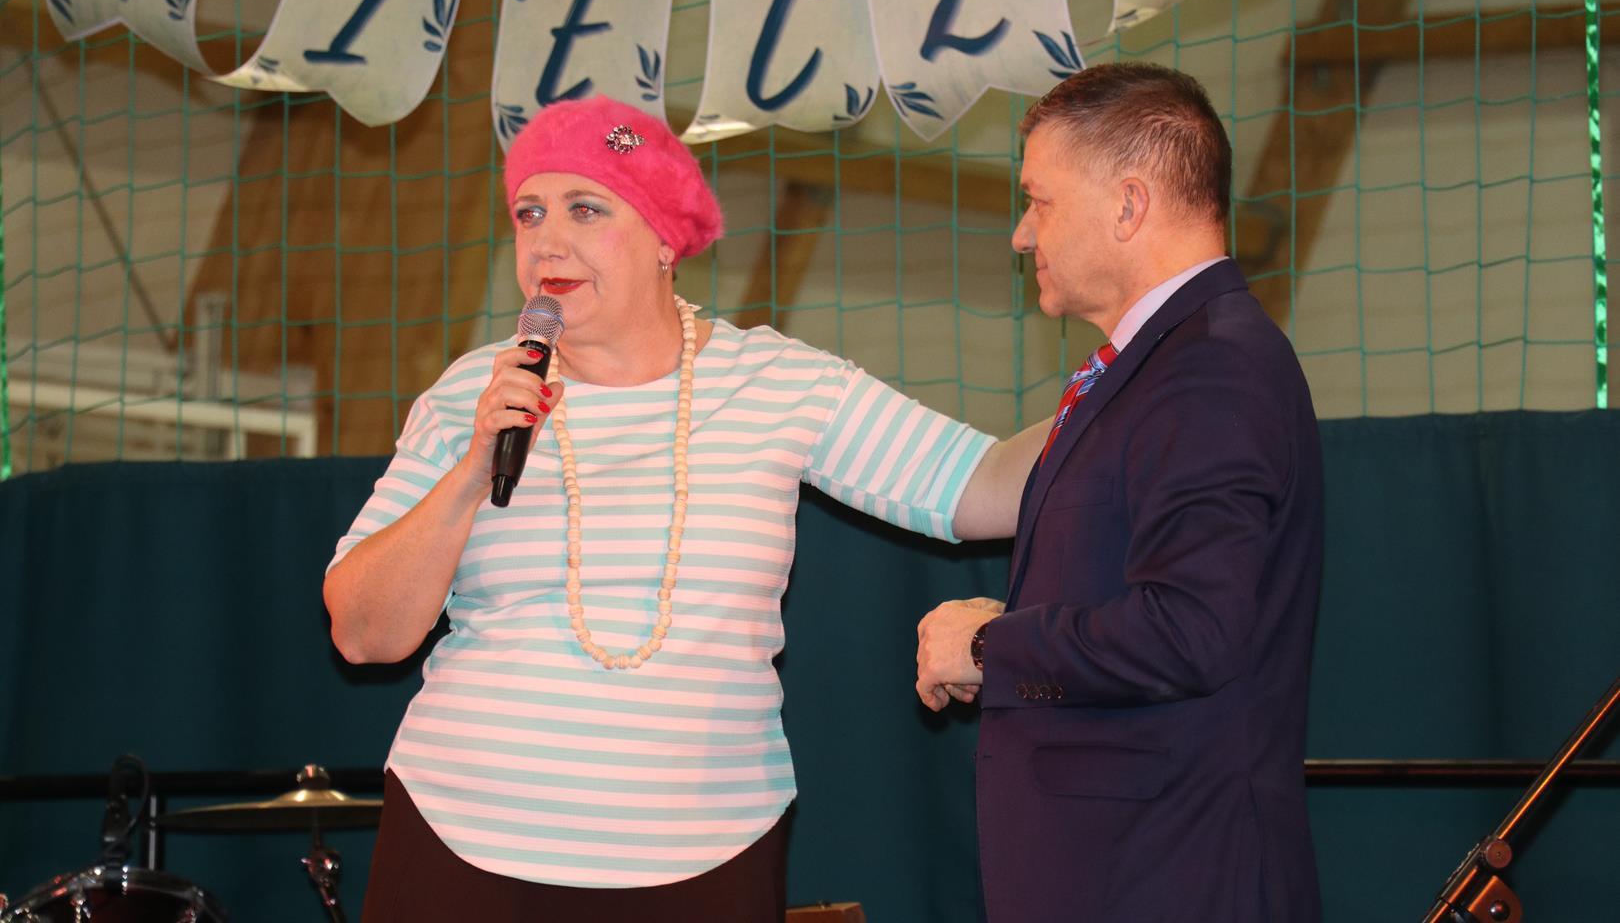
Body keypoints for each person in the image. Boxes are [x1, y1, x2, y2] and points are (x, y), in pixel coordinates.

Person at [323, 94, 1047, 920]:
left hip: (704, 855)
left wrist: (1133, 383)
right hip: (462, 841)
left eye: (585, 209)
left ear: (666, 237)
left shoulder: (779, 384)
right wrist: (471, 468)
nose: (547, 241)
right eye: (529, 213)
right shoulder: (471, 395)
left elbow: (986, 485)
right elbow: (363, 634)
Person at [915, 63, 1325, 922]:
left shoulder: (1211, 368)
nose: (1022, 234)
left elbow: (1192, 629)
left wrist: (991, 647)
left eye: (1040, 201)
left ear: (1129, 206)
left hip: (1168, 880)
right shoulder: (1161, 366)